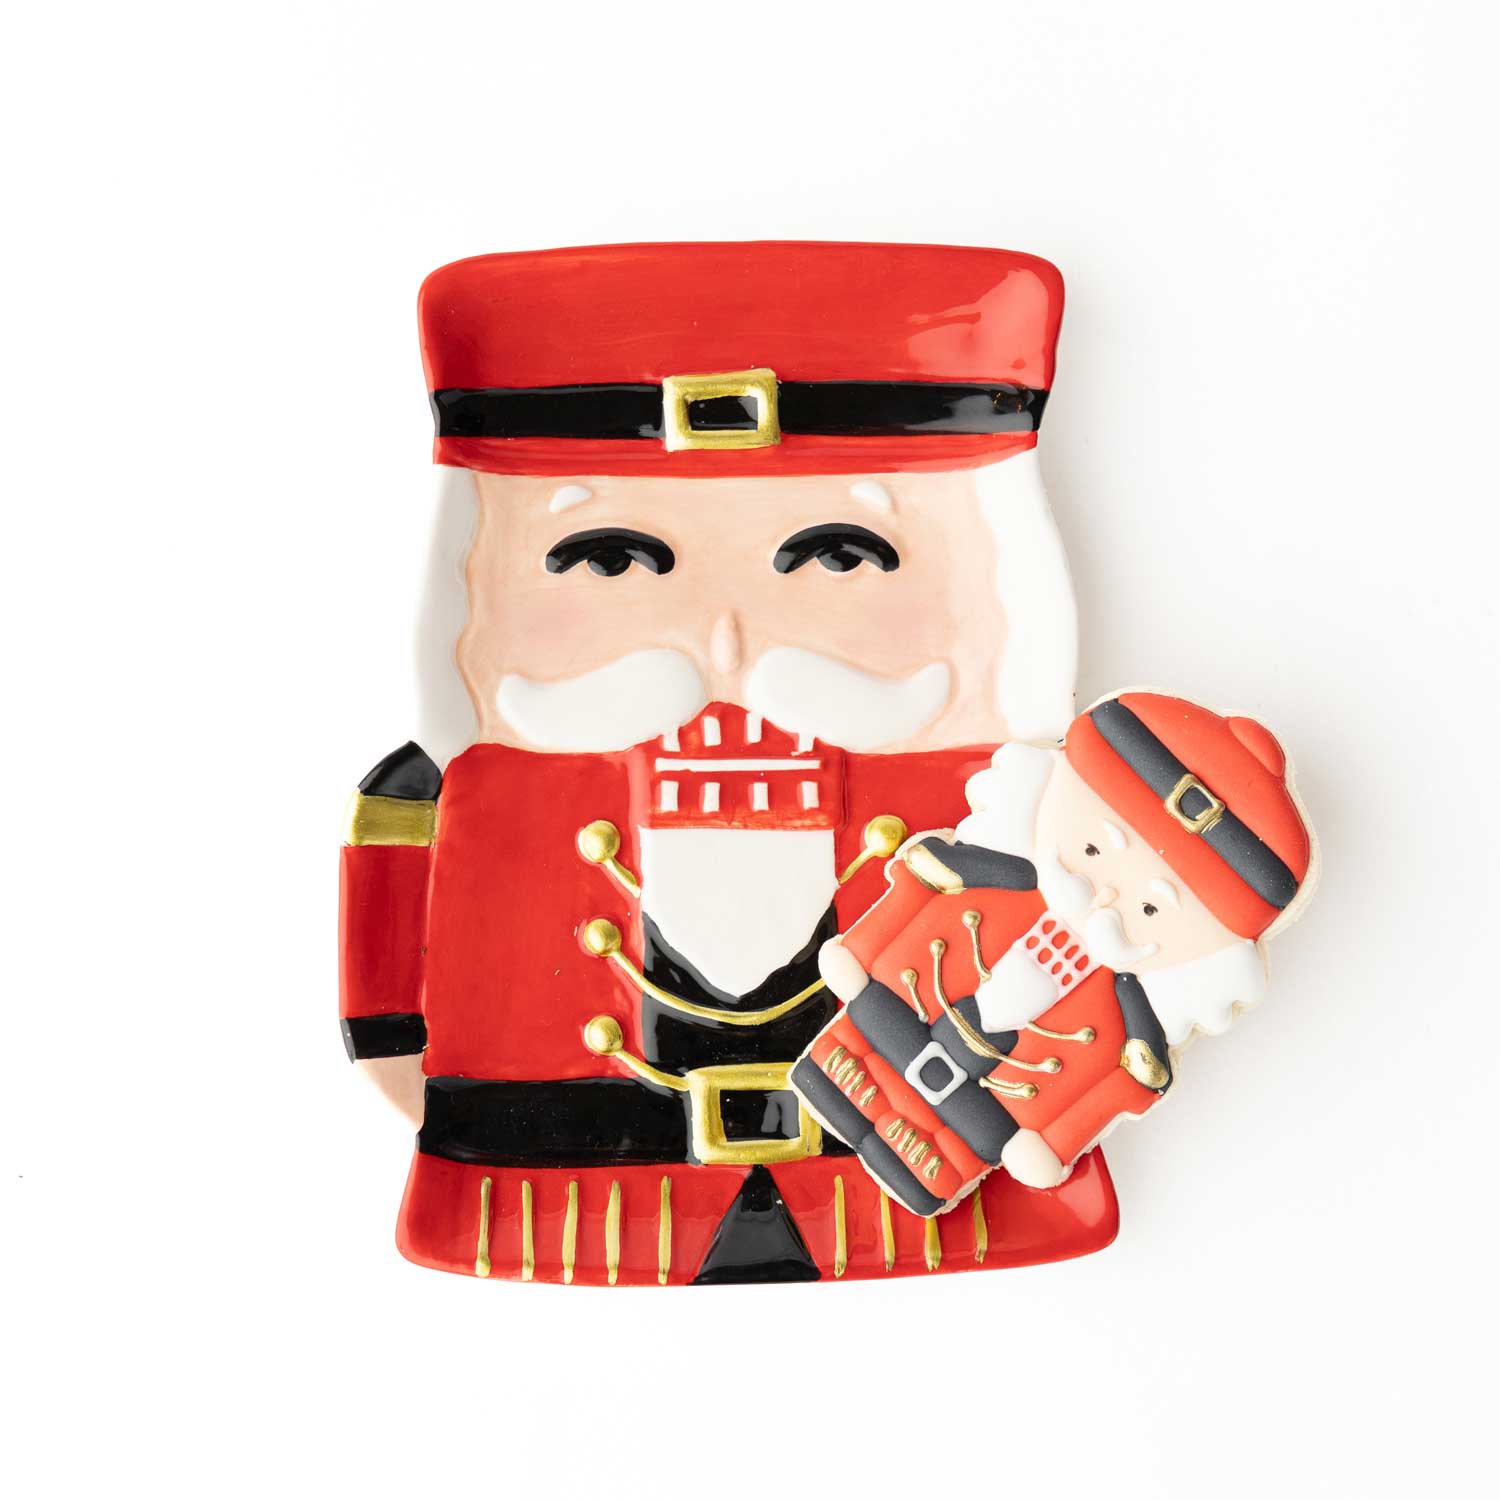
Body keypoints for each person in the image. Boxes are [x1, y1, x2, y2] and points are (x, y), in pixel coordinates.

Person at [339, 241, 1120, 1282]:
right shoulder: (439, 793)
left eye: (841, 555)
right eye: (609, 558)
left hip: (927, 1201)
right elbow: (389, 981)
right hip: (558, 1199)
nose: (725, 638)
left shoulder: (1021, 799)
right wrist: (414, 1071)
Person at [791, 691, 1316, 1215]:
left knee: (917, 1168)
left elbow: (1120, 1081)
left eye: (1149, 908)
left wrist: (1052, 1143)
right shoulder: (1000, 875)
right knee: (833, 1088)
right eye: (1092, 849)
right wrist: (861, 952)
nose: (1105, 898)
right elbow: (924, 881)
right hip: (877, 1031)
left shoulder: (1131, 1015)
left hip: (971, 1123)